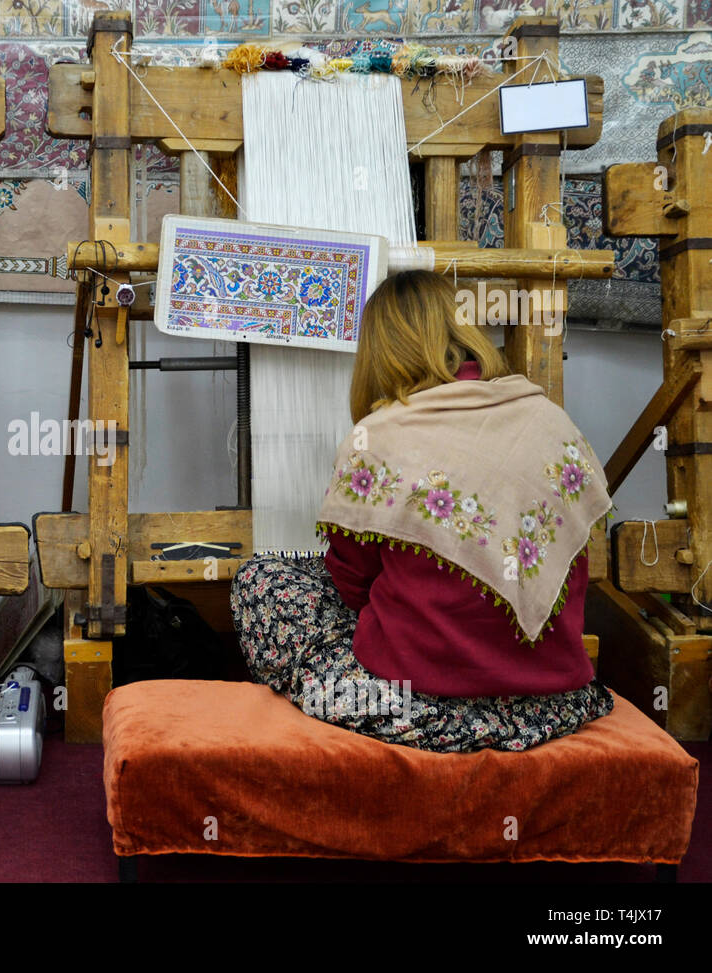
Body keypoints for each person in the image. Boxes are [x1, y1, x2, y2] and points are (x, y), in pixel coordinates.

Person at [230, 270, 614, 752]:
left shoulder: (378, 438)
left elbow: (353, 585)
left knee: (263, 580)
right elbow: (575, 559)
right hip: (557, 704)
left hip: (419, 710)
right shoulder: (551, 422)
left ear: (379, 352)